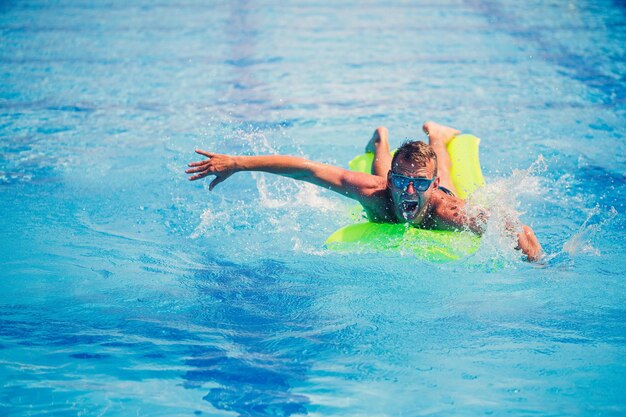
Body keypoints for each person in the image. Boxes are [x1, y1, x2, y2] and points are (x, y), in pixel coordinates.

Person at [186, 121, 542, 261]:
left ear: (428, 187)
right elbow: (307, 170)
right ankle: (382, 138)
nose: (409, 191)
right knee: (375, 169)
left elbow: (516, 229)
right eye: (401, 181)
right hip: (380, 182)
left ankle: (437, 134)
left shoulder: (446, 209)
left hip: (442, 187)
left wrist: (541, 269)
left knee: (446, 172)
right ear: (393, 179)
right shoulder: (377, 191)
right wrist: (238, 162)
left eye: (419, 184)